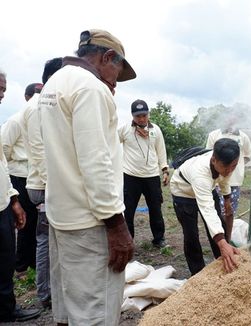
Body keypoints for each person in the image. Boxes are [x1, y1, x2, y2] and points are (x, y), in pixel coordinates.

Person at [38, 29, 135, 325]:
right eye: (116, 73)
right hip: (90, 221)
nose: (114, 82)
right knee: (95, 311)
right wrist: (117, 226)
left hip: (61, 214)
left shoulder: (55, 83)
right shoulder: (90, 88)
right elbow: (96, 161)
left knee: (69, 305)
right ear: (107, 57)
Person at [0, 69, 42, 322]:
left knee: (7, 251)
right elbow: (5, 151)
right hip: (18, 175)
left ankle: (6, 308)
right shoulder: (15, 120)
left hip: (7, 192)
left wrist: (13, 199)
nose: (2, 95)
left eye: (4, 89)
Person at [22, 57, 63, 309]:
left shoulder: (45, 103)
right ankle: (46, 293)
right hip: (43, 186)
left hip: (46, 183)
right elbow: (39, 150)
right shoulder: (38, 106)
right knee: (46, 240)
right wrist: (52, 186)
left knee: (52, 240)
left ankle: (51, 290)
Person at [170, 138, 241, 275]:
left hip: (208, 188)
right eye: (226, 167)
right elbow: (207, 209)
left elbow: (224, 179)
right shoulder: (200, 174)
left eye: (234, 166)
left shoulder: (226, 164)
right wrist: (222, 241)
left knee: (219, 223)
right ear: (214, 160)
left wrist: (227, 199)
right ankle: (198, 273)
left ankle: (221, 259)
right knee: (191, 234)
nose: (229, 170)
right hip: (183, 192)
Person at [118, 99, 169, 248]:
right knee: (127, 210)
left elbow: (161, 151)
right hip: (130, 176)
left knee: (156, 209)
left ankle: (159, 239)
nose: (141, 119)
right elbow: (112, 142)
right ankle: (128, 241)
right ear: (132, 116)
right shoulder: (125, 129)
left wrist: (165, 169)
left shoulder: (155, 130)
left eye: (144, 115)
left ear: (148, 114)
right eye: (138, 116)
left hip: (152, 176)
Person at [205, 111, 251, 217]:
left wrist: (236, 167)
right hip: (216, 180)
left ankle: (228, 232)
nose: (231, 120)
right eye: (228, 117)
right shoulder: (214, 135)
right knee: (216, 210)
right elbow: (208, 155)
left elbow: (248, 156)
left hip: (235, 181)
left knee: (230, 211)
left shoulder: (243, 137)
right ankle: (217, 232)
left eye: (234, 117)